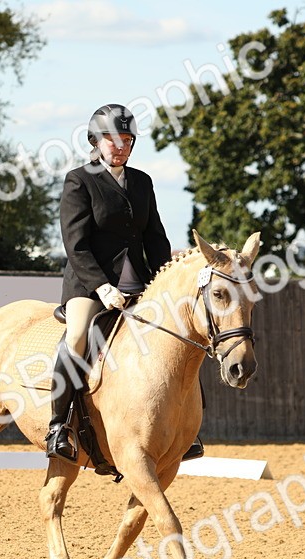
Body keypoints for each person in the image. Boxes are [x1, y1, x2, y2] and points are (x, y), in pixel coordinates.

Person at [46, 104, 204, 463]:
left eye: (127, 140)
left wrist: (166, 280)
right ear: (96, 142)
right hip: (90, 285)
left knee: (183, 334)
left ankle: (188, 431)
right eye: (113, 140)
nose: (121, 146)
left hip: (140, 284)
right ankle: (59, 426)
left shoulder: (142, 182)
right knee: (77, 336)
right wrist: (101, 286)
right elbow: (76, 244)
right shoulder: (79, 180)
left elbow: (156, 239)